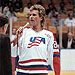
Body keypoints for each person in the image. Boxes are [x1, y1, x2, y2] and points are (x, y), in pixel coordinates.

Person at [12, 4, 60, 75]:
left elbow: (54, 56)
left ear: (41, 17)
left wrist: (57, 73)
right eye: (30, 15)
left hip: (41, 72)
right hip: (23, 72)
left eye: (34, 15)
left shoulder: (49, 35)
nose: (31, 17)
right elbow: (14, 53)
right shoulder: (23, 32)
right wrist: (17, 38)